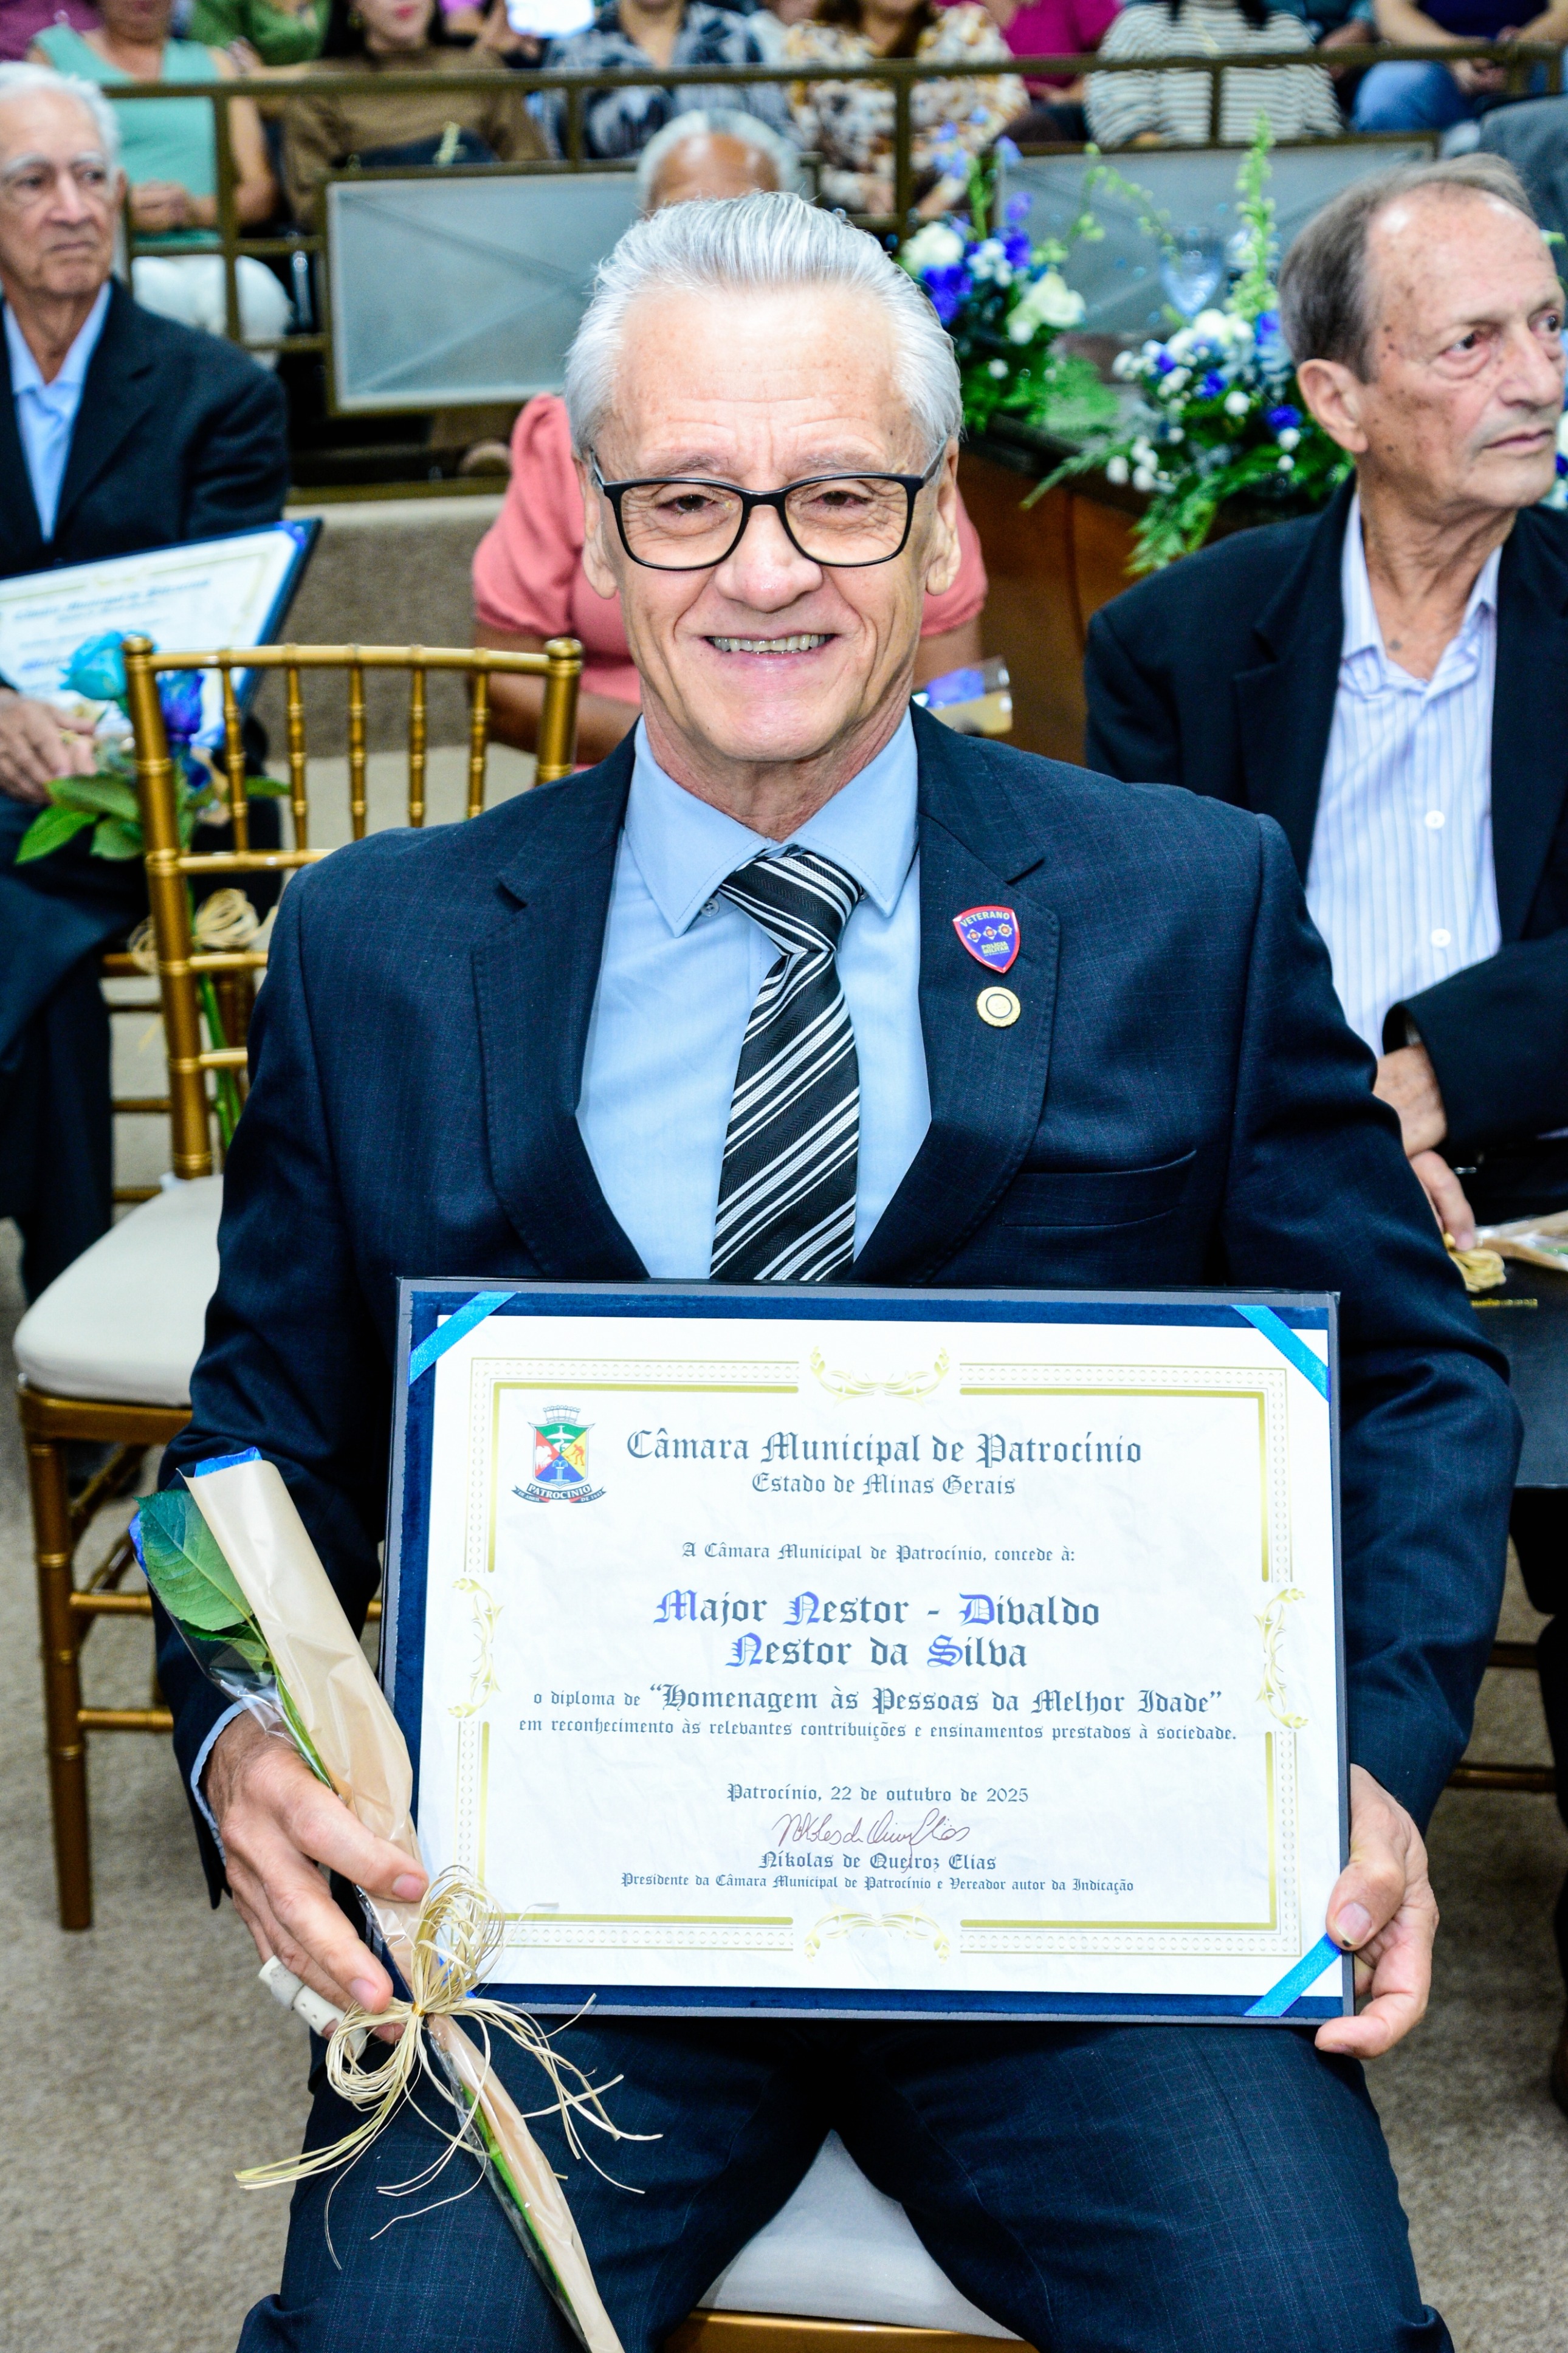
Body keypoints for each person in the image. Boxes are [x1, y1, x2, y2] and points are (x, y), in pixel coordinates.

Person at [162, 188, 1515, 2352]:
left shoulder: (1182, 902)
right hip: (561, 1930)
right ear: (599, 538)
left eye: (837, 495)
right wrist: (243, 1743)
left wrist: (1362, 1760)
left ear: (938, 528)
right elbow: (251, 1451)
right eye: (688, 499)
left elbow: (1416, 1380)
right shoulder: (377, 948)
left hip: (1091, 1920)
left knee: (1303, 2325)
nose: (764, 566)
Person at [1082, 153, 1568, 2099]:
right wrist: (1348, 1134)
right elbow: (1144, 964)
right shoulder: (1178, 643)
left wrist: (1427, 1078)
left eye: (1548, 327)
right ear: (1337, 398)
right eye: (1471, 342)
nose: (1535, 376)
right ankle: (1208, 1941)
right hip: (1280, 1195)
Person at [0, 63, 287, 1297]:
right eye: (33, 181)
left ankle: (66, 1289)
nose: (73, 207)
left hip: (170, 776)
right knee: (47, 960)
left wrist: (86, 735)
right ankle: (69, 1276)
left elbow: (218, 643)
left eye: (92, 176)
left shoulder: (219, 394)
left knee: (23, 906)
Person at [473, 106, 989, 758]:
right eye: (687, 501)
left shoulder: (888, 431)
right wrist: (690, 754)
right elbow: (501, 687)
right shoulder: (569, 436)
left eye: (837, 497)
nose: (766, 580)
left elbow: (963, 700)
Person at [29, 0, 293, 346]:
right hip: (104, 251)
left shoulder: (215, 64)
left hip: (206, 253)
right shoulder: (53, 55)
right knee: (156, 290)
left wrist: (194, 211)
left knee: (256, 296)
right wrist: (116, 209)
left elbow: (261, 191)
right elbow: (33, 177)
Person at [280, 0, 546, 231]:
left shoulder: (480, 70)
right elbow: (311, 204)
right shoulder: (321, 90)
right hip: (377, 247)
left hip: (489, 236)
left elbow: (535, 172)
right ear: (353, 3)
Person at [785, 0, 1024, 215]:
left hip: (962, 203)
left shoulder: (968, 27)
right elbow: (797, 154)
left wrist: (944, 196)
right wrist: (860, 190)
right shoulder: (808, 43)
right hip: (852, 217)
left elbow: (1008, 116)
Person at [538, 0, 793, 162]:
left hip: (728, 212)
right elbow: (555, 160)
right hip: (611, 218)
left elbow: (780, 137)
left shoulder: (733, 36)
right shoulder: (576, 53)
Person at [1083, 0, 1341, 145]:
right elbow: (1123, 133)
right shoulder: (1138, 29)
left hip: (1280, 202)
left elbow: (1322, 136)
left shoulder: (1289, 34)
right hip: (1166, 201)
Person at [1351, 0, 1556, 132]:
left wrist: (1520, 47)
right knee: (1387, 97)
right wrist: (1456, 54)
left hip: (1537, 60)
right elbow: (1393, 17)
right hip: (1435, 61)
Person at [983, 0, 1121, 147]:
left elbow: (1120, 55)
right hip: (977, 129)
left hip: (1054, 129)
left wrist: (1070, 96)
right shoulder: (966, 8)